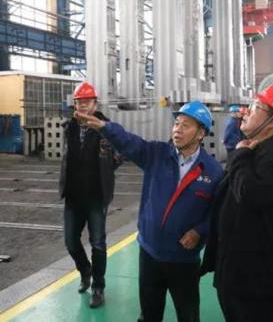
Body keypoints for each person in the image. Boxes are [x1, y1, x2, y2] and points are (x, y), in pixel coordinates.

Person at [75, 100, 224, 322]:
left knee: (188, 314)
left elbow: (218, 213)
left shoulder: (212, 171)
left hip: (184, 260)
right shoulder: (156, 154)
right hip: (150, 254)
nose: (177, 129)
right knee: (149, 313)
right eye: (176, 123)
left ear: (201, 133)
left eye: (186, 125)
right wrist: (104, 127)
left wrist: (199, 231)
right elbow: (128, 142)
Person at [200, 82, 273, 322]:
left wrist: (240, 155)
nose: (246, 111)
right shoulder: (255, 148)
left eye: (255, 107)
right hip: (236, 273)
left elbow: (248, 195)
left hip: (260, 283)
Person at [59, 82, 122, 308]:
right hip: (73, 196)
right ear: (75, 104)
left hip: (96, 196)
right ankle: (85, 271)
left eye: (87, 101)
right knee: (70, 241)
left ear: (95, 104)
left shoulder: (106, 127)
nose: (83, 105)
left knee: (98, 244)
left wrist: (108, 166)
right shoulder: (69, 127)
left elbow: (120, 152)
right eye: (79, 102)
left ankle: (98, 287)